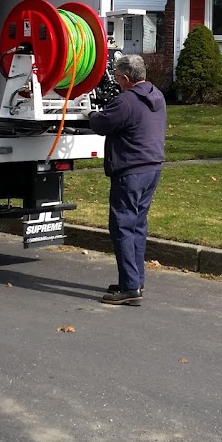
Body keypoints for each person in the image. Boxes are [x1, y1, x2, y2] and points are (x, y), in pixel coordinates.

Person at [88, 54, 166, 305]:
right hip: (152, 167)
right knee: (137, 226)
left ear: (124, 77)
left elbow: (102, 124)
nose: (117, 82)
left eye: (117, 77)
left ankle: (130, 287)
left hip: (130, 170)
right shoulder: (157, 95)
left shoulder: (126, 101)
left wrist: (91, 114)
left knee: (122, 226)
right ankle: (135, 280)